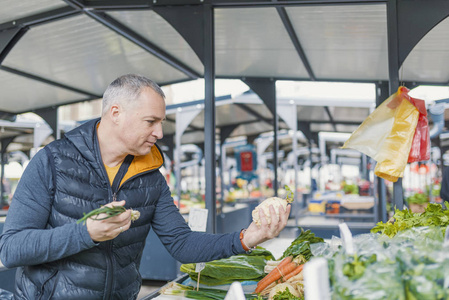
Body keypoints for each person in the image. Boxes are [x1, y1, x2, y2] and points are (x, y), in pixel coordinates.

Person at [0, 74, 290, 299]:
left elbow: (182, 244)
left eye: (161, 122)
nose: (159, 133)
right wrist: (85, 233)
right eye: (151, 121)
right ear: (116, 113)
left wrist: (246, 238)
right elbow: (11, 249)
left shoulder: (151, 176)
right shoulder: (51, 162)